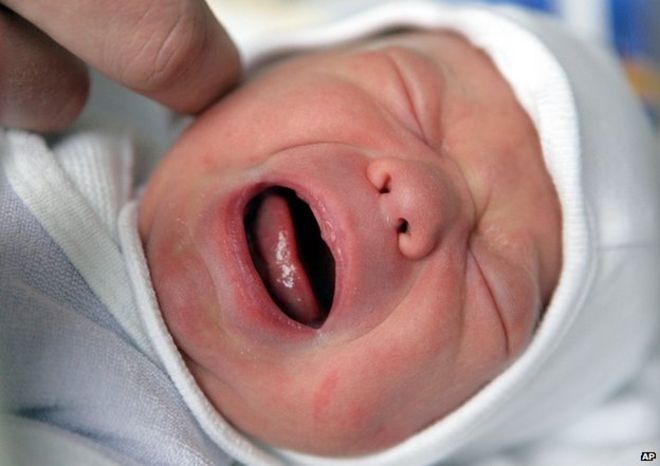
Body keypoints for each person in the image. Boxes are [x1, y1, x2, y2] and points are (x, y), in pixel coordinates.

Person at [1, 1, 658, 465]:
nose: (419, 196)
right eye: (409, 96)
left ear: (419, 441)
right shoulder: (52, 73)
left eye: (491, 287)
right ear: (268, 71)